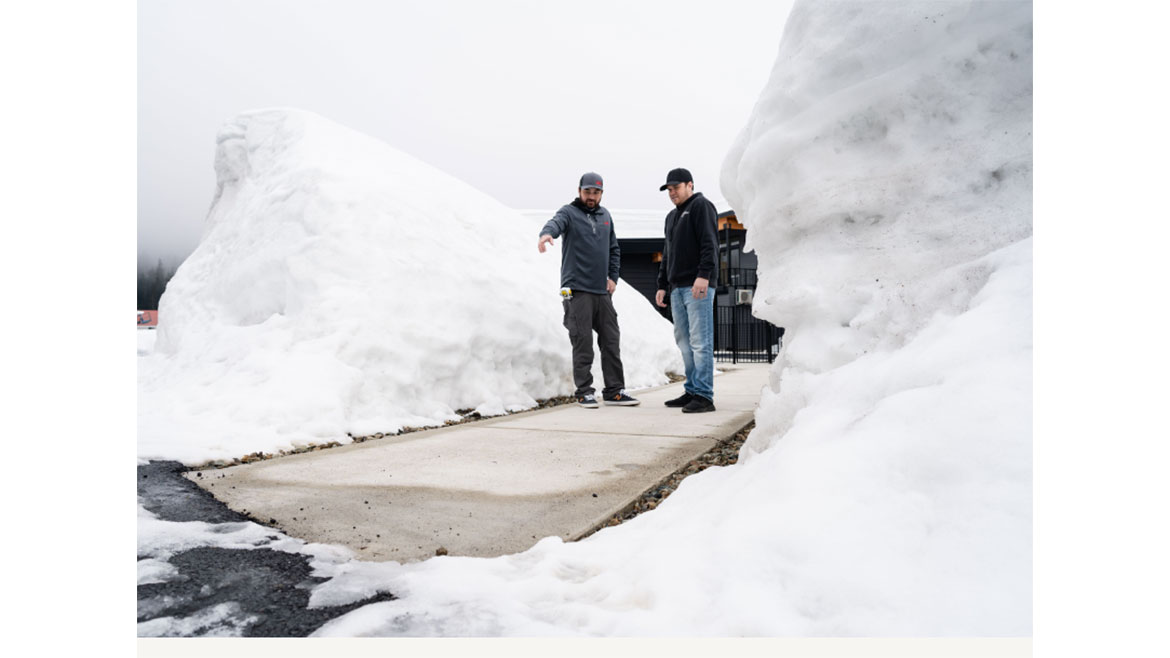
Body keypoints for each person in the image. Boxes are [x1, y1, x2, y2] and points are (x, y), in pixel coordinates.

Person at [538, 172, 640, 408]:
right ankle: (584, 391)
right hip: (577, 290)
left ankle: (614, 391)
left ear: (601, 193)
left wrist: (613, 277)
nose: (591, 196)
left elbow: (614, 249)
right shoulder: (569, 213)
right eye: (587, 192)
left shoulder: (606, 216)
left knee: (611, 341)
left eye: (596, 192)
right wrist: (546, 234)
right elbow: (555, 223)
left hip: (602, 292)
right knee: (582, 341)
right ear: (579, 191)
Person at [655, 168, 718, 413]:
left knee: (700, 341)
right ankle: (692, 390)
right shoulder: (671, 217)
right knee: (684, 342)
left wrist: (703, 275)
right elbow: (667, 254)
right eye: (669, 190)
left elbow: (709, 243)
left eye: (676, 188)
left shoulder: (702, 206)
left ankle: (704, 395)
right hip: (677, 288)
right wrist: (662, 285)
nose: (672, 193)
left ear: (689, 185)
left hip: (697, 286)